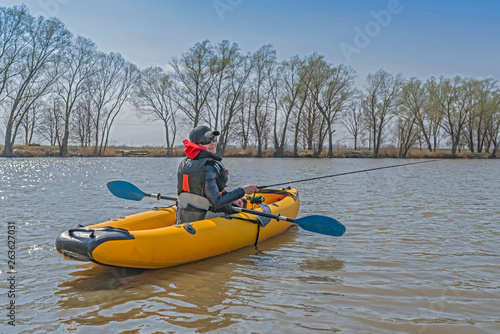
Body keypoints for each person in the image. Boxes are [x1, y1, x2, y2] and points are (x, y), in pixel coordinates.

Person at [176, 125, 259, 224]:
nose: (213, 143)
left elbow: (199, 192)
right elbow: (217, 202)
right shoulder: (208, 167)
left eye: (214, 139)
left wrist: (230, 198)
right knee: (243, 203)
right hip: (205, 217)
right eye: (206, 140)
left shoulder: (184, 163)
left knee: (237, 202)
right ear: (196, 144)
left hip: (186, 214)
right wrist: (243, 190)